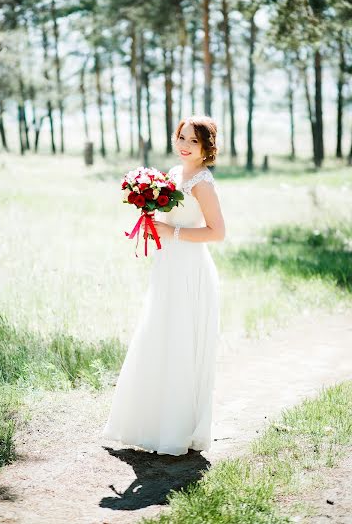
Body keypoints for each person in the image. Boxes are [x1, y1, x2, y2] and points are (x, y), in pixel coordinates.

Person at [102, 115, 226, 456]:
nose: (185, 146)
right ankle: (150, 425)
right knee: (158, 337)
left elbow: (218, 232)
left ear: (206, 149)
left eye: (193, 142)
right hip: (167, 266)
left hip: (190, 270)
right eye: (182, 138)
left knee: (181, 344)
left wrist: (174, 233)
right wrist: (151, 219)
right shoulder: (173, 174)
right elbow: (166, 216)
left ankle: (178, 430)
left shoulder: (202, 182)